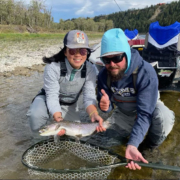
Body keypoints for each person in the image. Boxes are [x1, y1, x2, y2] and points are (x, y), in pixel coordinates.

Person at [97, 28, 175, 170]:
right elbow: (106, 104)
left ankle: (150, 146)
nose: (112, 64)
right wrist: (105, 106)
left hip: (148, 111)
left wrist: (133, 144)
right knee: (108, 144)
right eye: (106, 59)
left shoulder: (146, 72)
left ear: (126, 54)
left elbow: (145, 113)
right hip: (123, 114)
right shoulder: (103, 75)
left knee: (163, 116)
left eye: (117, 58)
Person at [27, 30, 106, 139]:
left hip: (69, 103)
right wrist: (58, 119)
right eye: (73, 50)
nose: (78, 55)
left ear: (87, 53)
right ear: (65, 52)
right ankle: (39, 142)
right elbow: (52, 96)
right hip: (47, 98)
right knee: (35, 115)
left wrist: (94, 114)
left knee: (75, 136)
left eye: (82, 51)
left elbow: (89, 97)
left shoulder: (90, 69)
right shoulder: (52, 67)